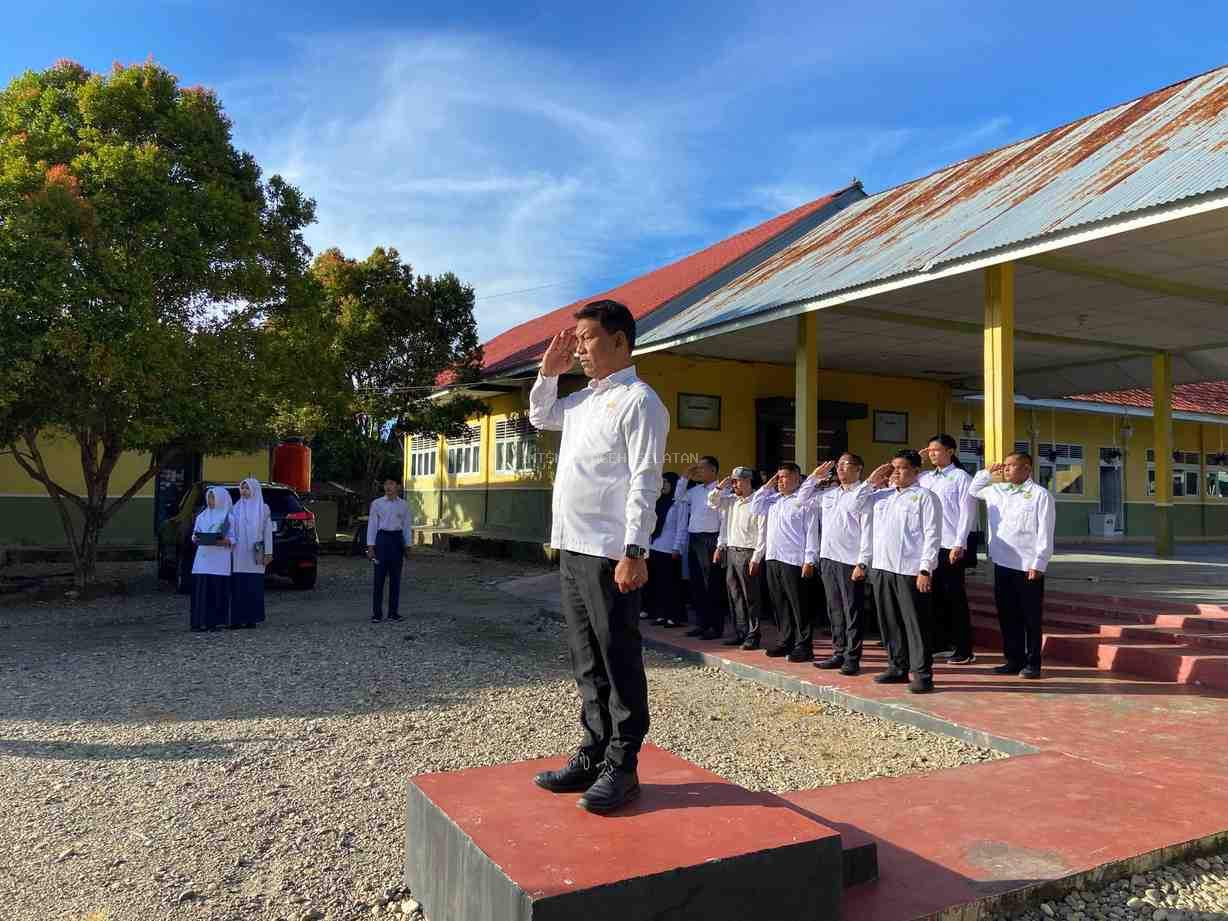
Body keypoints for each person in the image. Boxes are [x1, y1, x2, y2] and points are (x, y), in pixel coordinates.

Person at [528, 299, 668, 814]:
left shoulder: (640, 401)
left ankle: (623, 765)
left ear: (618, 341)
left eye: (586, 339)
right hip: (572, 546)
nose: (580, 348)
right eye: (578, 340)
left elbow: (644, 482)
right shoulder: (583, 401)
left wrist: (635, 549)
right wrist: (548, 373)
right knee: (586, 660)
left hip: (611, 554)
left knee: (619, 659)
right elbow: (541, 415)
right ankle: (592, 753)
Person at [857, 451, 942, 693]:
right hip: (883, 567)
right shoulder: (880, 496)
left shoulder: (925, 497)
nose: (896, 472)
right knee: (889, 622)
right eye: (893, 467)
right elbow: (854, 505)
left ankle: (923, 674)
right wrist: (872, 480)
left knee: (915, 624)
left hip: (910, 570)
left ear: (916, 471)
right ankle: (897, 666)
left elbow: (933, 535)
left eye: (902, 468)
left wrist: (926, 568)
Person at [970, 453, 1055, 679]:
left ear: (1026, 469)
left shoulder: (1039, 495)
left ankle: (1032, 663)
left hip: (1028, 565)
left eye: (1011, 466)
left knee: (1030, 617)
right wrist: (988, 472)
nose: (1006, 470)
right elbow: (972, 489)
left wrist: (1039, 562)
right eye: (1005, 467)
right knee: (1007, 615)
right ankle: (1013, 659)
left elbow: (1045, 532)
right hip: (1002, 562)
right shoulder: (997, 491)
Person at [800, 454, 871, 675]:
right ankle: (838, 652)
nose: (840, 468)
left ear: (858, 469)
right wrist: (813, 478)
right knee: (835, 610)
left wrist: (862, 561)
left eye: (846, 464)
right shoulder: (829, 494)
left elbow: (868, 531)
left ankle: (852, 657)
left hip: (850, 561)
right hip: (828, 558)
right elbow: (801, 499)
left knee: (852, 611)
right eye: (838, 465)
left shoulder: (865, 494)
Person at [750, 463, 820, 662]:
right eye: (778, 477)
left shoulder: (805, 501)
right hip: (773, 558)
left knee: (799, 605)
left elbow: (812, 532)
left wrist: (809, 559)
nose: (781, 481)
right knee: (779, 604)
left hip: (794, 560)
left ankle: (804, 646)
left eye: (785, 477)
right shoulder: (772, 500)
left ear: (797, 479)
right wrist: (767, 485)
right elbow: (755, 506)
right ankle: (785, 640)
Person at [919, 434, 978, 665]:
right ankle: (940, 642)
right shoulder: (924, 478)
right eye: (929, 450)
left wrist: (959, 543)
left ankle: (964, 648)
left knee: (954, 597)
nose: (932, 453)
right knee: (933, 596)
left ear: (950, 451)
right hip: (929, 546)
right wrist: (917, 457)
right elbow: (895, 481)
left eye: (937, 449)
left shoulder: (960, 478)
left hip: (950, 545)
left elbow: (967, 513)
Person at [709, 466, 767, 649]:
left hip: (748, 552)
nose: (734, 484)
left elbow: (762, 532)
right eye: (732, 481)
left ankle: (753, 634)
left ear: (749, 481)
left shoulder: (757, 501)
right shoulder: (731, 500)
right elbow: (712, 502)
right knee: (735, 595)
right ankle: (740, 631)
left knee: (751, 597)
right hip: (732, 551)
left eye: (737, 481)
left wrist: (757, 557)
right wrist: (719, 488)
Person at [675, 456, 726, 640]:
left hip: (711, 539)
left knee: (711, 585)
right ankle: (702, 624)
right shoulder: (695, 490)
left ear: (713, 470)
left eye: (702, 468)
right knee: (697, 584)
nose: (699, 471)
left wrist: (721, 543)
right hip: (695, 538)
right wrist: (686, 476)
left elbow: (723, 519)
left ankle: (715, 626)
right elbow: (678, 496)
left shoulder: (722, 490)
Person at [366, 478, 413, 623]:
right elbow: (372, 525)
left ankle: (393, 612)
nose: (388, 487)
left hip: (396, 540)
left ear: (398, 487)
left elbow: (406, 526)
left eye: (391, 484)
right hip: (382, 540)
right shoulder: (377, 504)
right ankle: (377, 614)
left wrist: (408, 546)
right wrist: (370, 547)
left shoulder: (403, 505)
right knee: (379, 579)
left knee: (395, 579)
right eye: (386, 484)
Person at [230, 478, 274, 629]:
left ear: (254, 490)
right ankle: (236, 618)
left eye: (247, 488)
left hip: (256, 552)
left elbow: (267, 532)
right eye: (242, 488)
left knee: (253, 585)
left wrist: (269, 552)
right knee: (238, 586)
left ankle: (251, 618)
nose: (244, 491)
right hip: (239, 553)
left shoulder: (264, 508)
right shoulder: (236, 507)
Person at [190, 486, 234, 632]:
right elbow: (195, 534)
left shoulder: (228, 517)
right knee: (201, 592)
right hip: (203, 560)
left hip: (219, 561)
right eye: (208, 497)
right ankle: (198, 621)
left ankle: (214, 622)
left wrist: (221, 541)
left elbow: (233, 539)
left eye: (213, 497)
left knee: (216, 591)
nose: (210, 501)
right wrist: (196, 539)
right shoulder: (202, 516)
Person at [646, 472, 685, 628]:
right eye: (661, 482)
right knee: (658, 583)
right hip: (655, 546)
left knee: (671, 584)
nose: (663, 485)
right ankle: (660, 614)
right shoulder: (657, 501)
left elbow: (681, 527)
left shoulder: (678, 503)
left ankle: (674, 616)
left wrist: (677, 547)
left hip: (670, 549)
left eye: (667, 482)